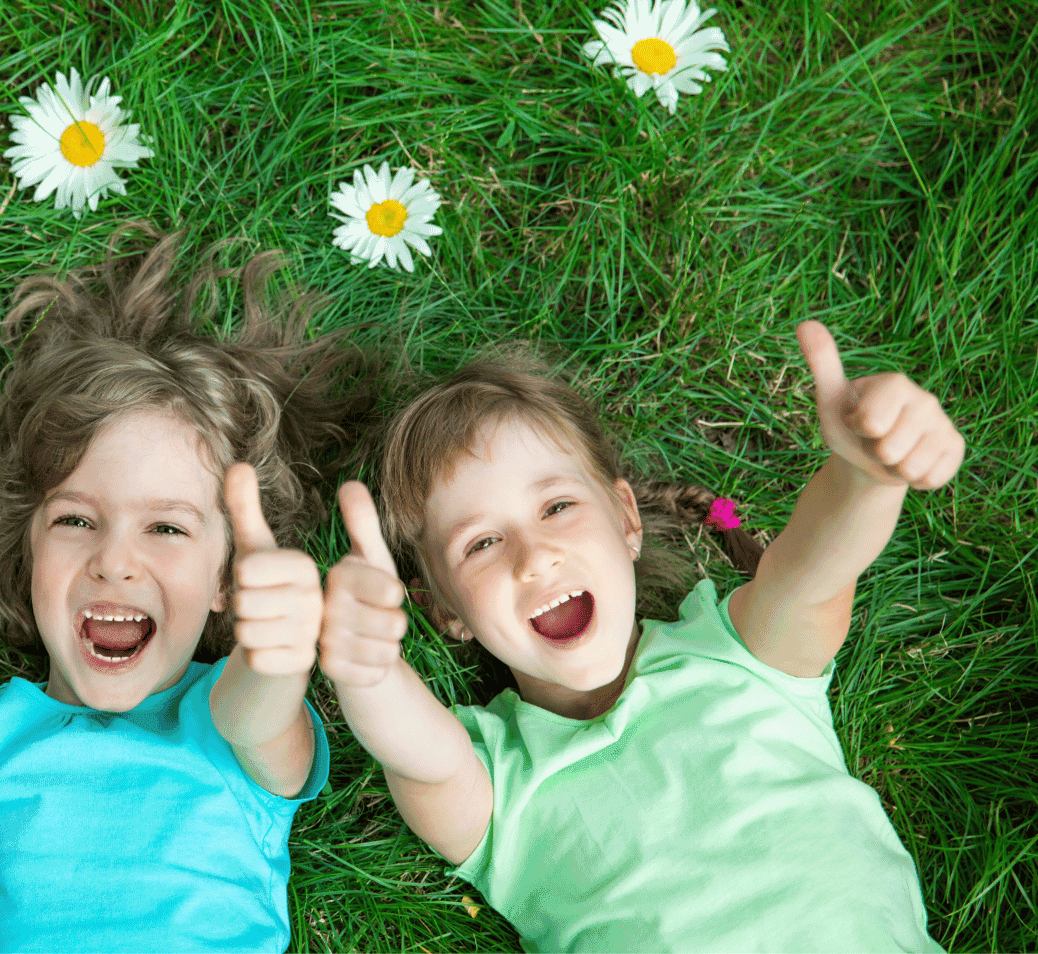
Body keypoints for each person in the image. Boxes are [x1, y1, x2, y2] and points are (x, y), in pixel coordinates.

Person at [320, 322, 958, 951]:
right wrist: (369, 669)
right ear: (445, 611)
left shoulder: (740, 654)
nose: (534, 558)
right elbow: (415, 753)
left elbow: (815, 571)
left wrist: (866, 479)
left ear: (626, 519)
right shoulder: (498, 786)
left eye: (556, 507)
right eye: (482, 543)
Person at [0, 231, 374, 952]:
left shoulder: (227, 724)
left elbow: (260, 715)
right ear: (29, 547)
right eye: (76, 519)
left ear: (226, 580)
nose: (115, 561)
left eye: (166, 528)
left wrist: (276, 653)